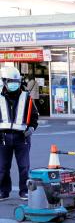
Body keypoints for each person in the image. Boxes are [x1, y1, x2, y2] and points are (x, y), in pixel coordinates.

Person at [0, 66, 38, 201]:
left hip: (22, 137)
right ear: (4, 81)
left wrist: (31, 129)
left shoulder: (26, 97)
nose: (13, 84)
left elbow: (34, 117)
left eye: (16, 81)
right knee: (3, 167)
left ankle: (24, 191)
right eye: (10, 81)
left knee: (24, 167)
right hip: (2, 138)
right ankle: (3, 191)